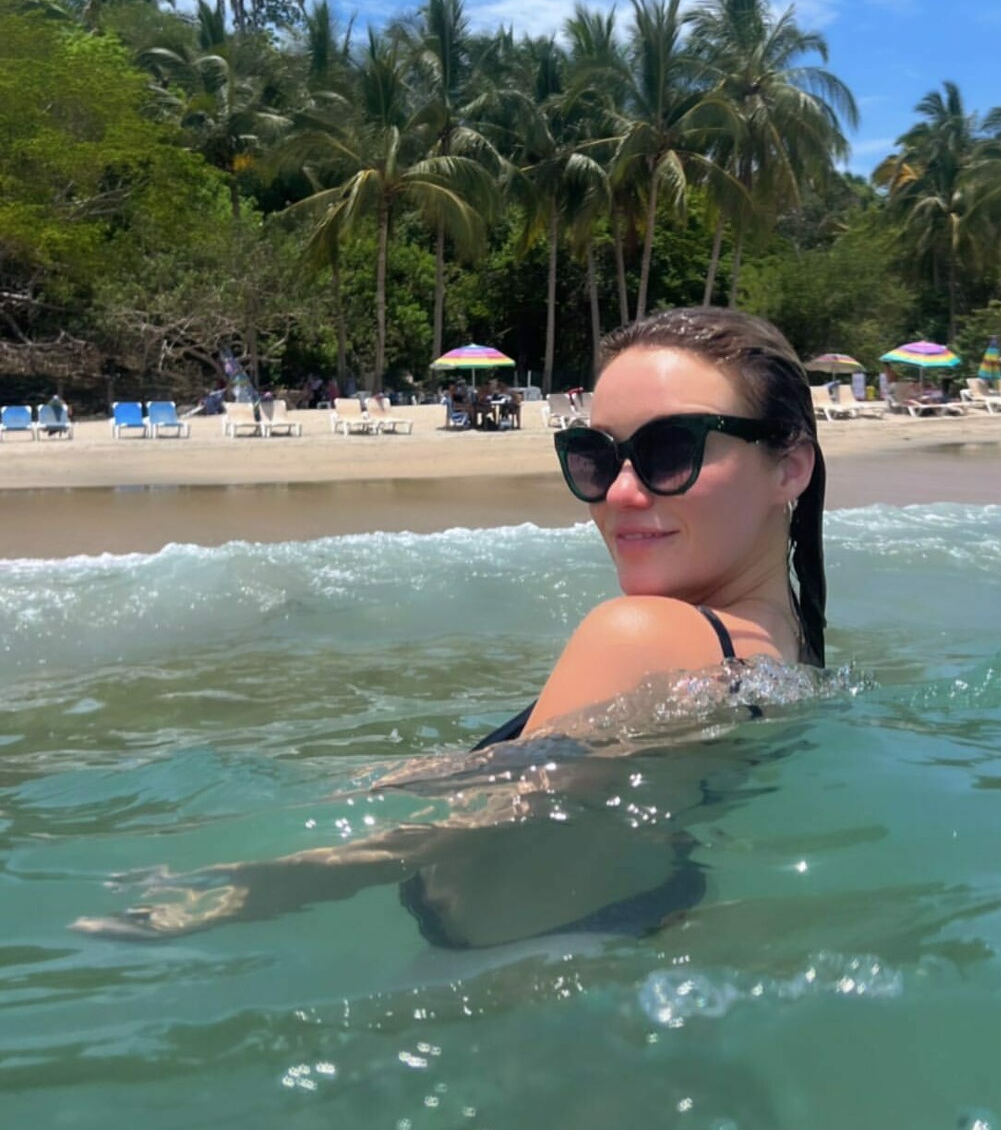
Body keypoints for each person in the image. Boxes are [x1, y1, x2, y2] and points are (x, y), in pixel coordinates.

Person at [73, 308, 826, 946]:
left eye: (671, 450)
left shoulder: (642, 633)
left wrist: (242, 889)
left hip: (489, 996)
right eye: (594, 457)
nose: (621, 493)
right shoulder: (782, 651)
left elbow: (499, 819)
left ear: (790, 466)